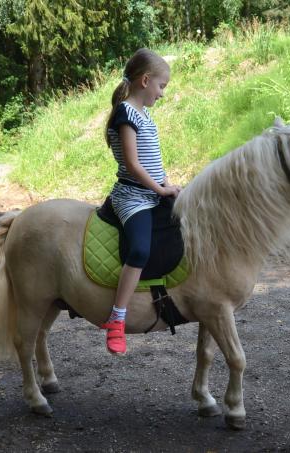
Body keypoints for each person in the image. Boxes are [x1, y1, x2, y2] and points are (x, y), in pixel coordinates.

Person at [101, 48, 181, 355]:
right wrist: (160, 191)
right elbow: (133, 165)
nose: (162, 94)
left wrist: (167, 184)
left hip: (153, 190)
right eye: (161, 86)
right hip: (133, 197)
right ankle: (117, 317)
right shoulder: (126, 113)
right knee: (139, 249)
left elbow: (152, 161)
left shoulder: (144, 114)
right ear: (145, 81)